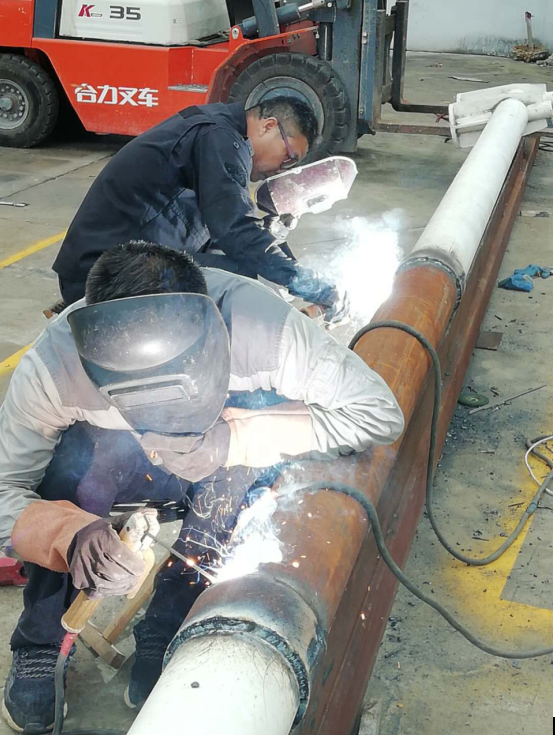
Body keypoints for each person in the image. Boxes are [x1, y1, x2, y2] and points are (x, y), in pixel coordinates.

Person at [0, 242, 404, 732]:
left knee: (240, 471)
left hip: (214, 465)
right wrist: (67, 534)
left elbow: (377, 414)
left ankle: (169, 620)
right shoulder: (54, 365)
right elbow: (5, 487)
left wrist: (237, 437)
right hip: (110, 471)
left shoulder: (263, 329)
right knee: (68, 469)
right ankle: (41, 641)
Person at [52, 97, 346, 320]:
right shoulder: (219, 138)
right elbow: (235, 231)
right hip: (103, 274)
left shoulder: (219, 130)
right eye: (288, 157)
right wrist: (300, 280)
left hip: (117, 260)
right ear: (268, 126)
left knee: (245, 269)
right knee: (247, 283)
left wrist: (279, 255)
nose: (282, 168)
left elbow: (224, 224)